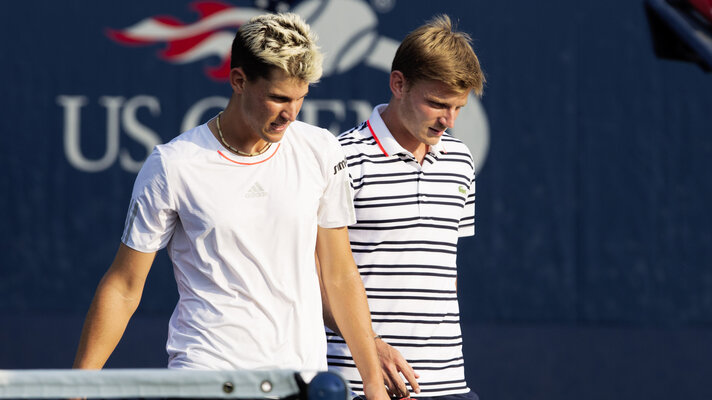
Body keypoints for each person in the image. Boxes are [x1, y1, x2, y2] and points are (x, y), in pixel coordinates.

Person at [73, 13, 388, 400]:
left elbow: (339, 275)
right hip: (208, 375)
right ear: (238, 80)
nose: (291, 113)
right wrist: (78, 387)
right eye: (278, 98)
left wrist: (372, 381)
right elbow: (123, 286)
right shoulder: (173, 164)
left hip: (300, 379)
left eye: (300, 98)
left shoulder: (321, 150)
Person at [324, 15, 485, 400]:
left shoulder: (461, 161)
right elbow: (319, 278)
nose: (448, 120)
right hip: (359, 382)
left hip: (449, 383)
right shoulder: (341, 157)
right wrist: (372, 351)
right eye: (436, 103)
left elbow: (444, 269)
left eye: (459, 107)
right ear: (398, 83)